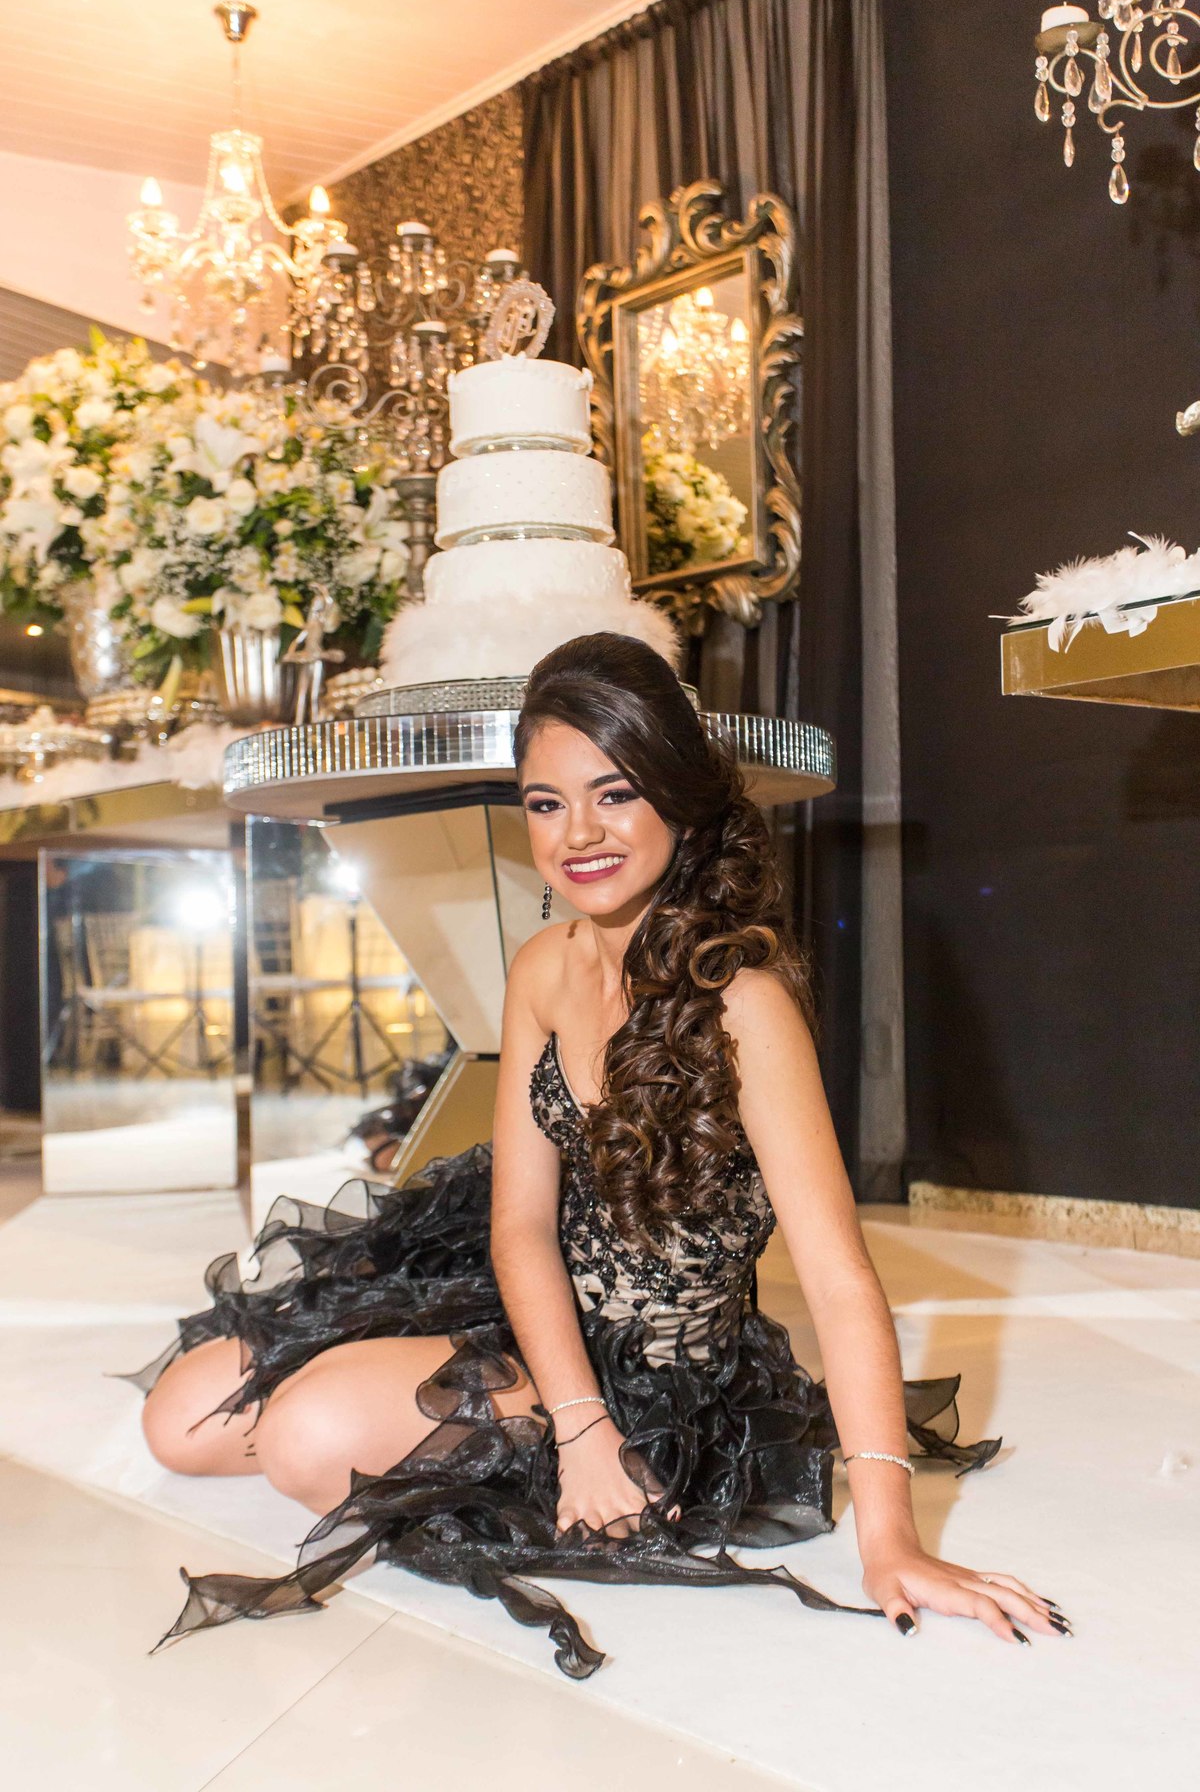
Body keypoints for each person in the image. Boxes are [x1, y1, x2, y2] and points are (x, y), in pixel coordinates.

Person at [130, 633, 1071, 1678]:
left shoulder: (745, 1005)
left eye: (613, 793)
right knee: (181, 1421)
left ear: (678, 797)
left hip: (657, 1376)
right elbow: (520, 1227)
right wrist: (571, 1423)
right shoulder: (542, 966)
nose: (578, 833)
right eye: (546, 803)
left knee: (304, 1438)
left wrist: (890, 1538)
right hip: (530, 1310)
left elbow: (842, 1283)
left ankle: (480, 1437)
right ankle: (474, 1419)